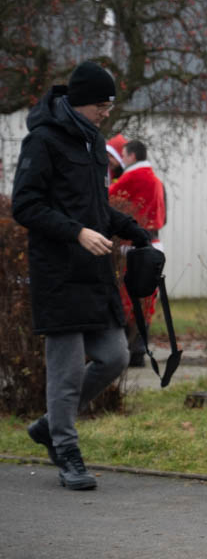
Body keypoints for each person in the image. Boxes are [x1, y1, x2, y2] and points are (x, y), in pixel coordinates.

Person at [12, 60, 153, 491]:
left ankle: (51, 424)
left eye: (109, 104)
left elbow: (92, 208)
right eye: (101, 104)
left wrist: (128, 228)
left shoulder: (92, 142)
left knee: (114, 357)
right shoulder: (43, 141)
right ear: (79, 102)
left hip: (93, 270)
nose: (106, 112)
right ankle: (67, 452)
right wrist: (76, 233)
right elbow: (26, 205)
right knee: (67, 370)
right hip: (58, 272)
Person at [109, 139, 167, 368]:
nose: (122, 160)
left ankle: (128, 350)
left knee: (127, 300)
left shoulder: (133, 177)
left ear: (131, 156)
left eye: (123, 155)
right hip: (153, 242)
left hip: (133, 246)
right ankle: (139, 350)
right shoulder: (156, 180)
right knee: (146, 301)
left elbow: (108, 198)